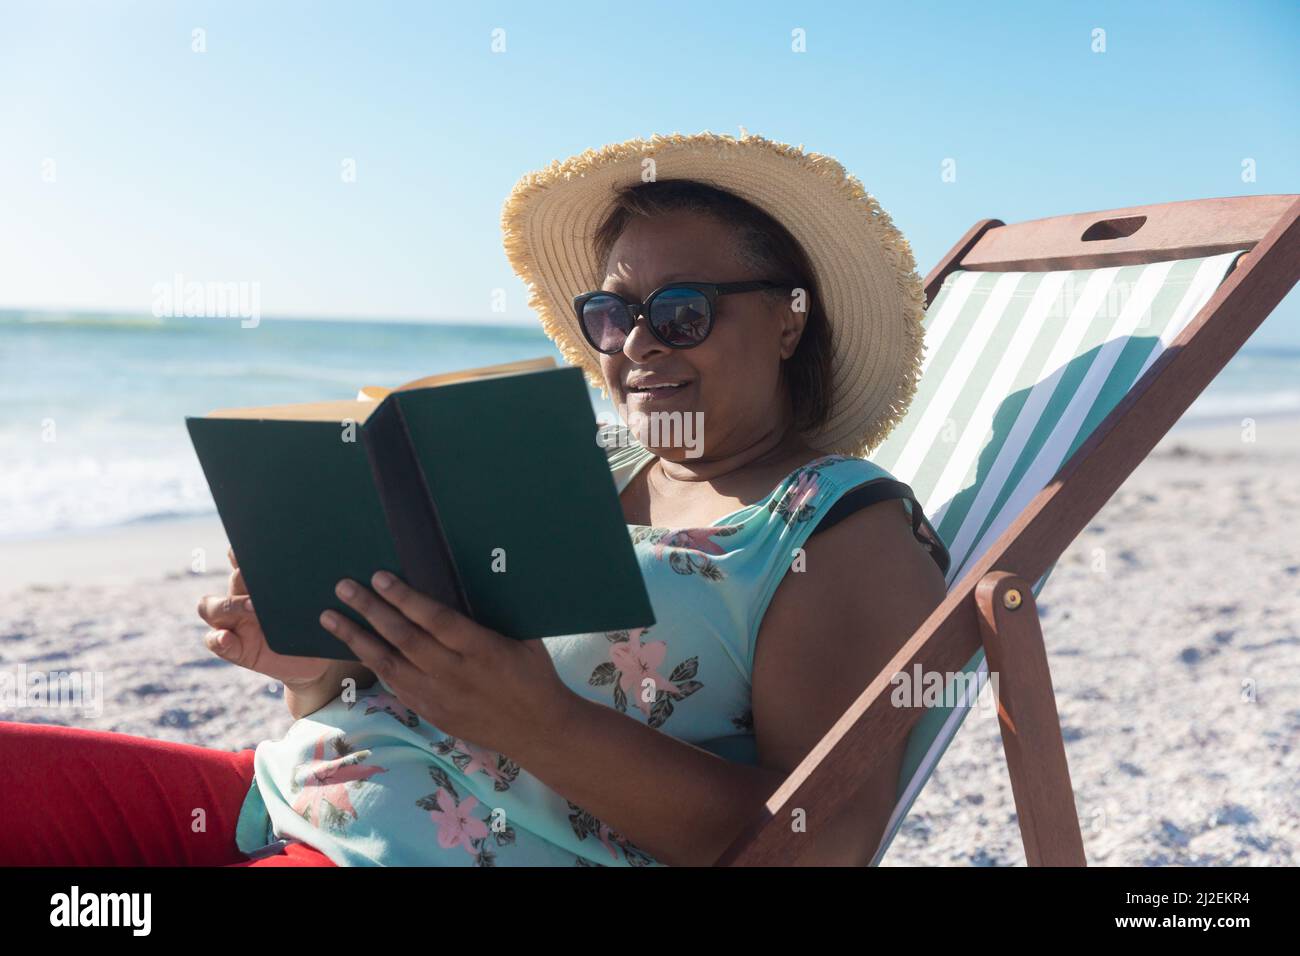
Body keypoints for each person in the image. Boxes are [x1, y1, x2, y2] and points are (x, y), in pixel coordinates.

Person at [1, 131, 950, 867]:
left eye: (684, 312)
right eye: (615, 314)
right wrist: (315, 668)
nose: (636, 348)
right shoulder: (583, 464)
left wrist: (537, 722)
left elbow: (815, 845)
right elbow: (428, 709)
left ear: (790, 323)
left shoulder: (837, 529)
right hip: (274, 796)